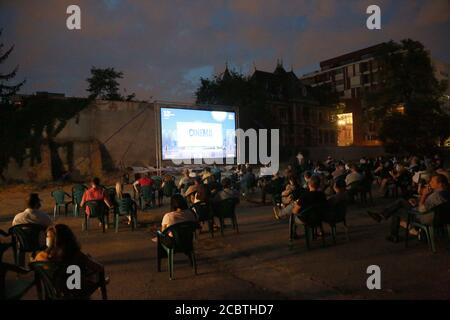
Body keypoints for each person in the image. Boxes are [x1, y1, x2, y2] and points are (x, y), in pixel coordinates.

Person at [367, 174, 450, 242]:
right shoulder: (446, 192)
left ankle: (390, 229)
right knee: (401, 203)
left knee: (398, 208)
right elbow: (430, 204)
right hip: (442, 217)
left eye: (432, 181)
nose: (430, 183)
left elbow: (422, 210)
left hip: (425, 217)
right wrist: (417, 201)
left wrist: (424, 195)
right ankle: (383, 217)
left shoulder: (436, 196)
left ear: (440, 184)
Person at [34, 224, 107, 299]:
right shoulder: (76, 255)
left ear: (48, 241)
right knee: (92, 272)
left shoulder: (41, 257)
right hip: (75, 292)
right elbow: (99, 268)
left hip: (54, 292)